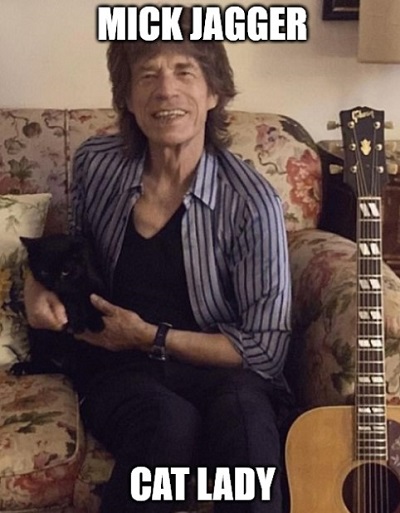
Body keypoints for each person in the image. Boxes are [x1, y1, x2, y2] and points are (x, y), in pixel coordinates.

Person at [24, 12, 292, 513]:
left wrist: (150, 336)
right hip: (119, 367)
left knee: (247, 436)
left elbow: (265, 349)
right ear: (127, 98)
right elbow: (65, 246)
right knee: (166, 428)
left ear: (213, 92)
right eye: (147, 74)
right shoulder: (97, 163)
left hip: (222, 371)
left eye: (184, 71)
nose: (166, 90)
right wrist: (33, 287)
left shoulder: (252, 202)